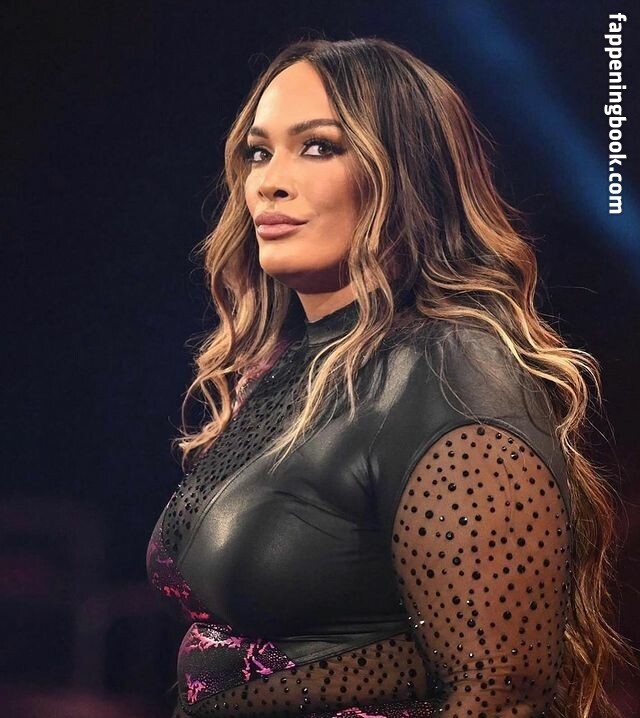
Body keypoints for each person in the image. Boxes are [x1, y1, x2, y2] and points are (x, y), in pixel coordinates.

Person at [146, 37, 629, 718]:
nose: (268, 182)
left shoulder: (451, 369)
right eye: (258, 152)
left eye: (318, 147)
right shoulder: (295, 367)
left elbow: (502, 693)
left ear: (406, 175)